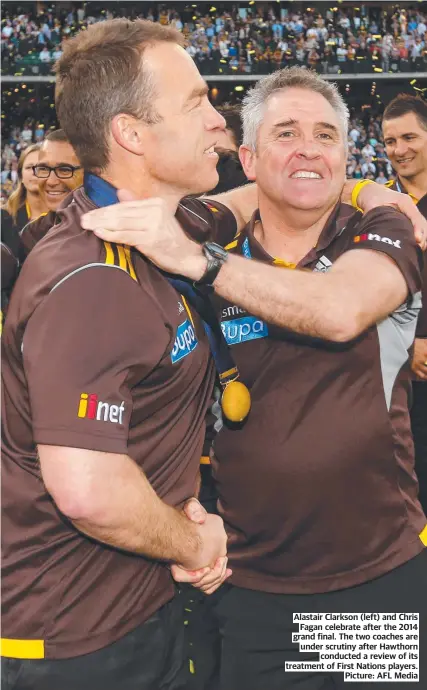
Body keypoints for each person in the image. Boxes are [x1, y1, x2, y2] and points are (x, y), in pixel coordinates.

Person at [83, 67, 427, 690]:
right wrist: (217, 229)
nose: (307, 149)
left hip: (379, 578)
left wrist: (201, 260)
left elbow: (339, 310)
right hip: (252, 586)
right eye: (286, 133)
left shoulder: (380, 232)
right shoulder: (211, 235)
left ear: (346, 157)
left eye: (326, 136)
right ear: (246, 155)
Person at [1, 19, 231, 690]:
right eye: (196, 102)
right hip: (75, 638)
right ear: (131, 133)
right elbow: (88, 490)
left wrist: (367, 193)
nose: (218, 120)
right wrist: (197, 544)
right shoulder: (94, 278)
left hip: (131, 605)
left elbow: (244, 205)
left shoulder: (162, 227)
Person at [383, 93, 427, 514]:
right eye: (390, 141)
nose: (399, 150)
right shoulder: (379, 211)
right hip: (405, 380)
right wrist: (410, 343)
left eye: (409, 137)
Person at [19, 129, 84, 258]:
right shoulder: (32, 234)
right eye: (43, 169)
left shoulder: (116, 230)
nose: (51, 181)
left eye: (64, 170)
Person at [1, 144, 47, 314]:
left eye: (42, 167)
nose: (35, 173)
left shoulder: (66, 217)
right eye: (29, 167)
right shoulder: (4, 217)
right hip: (12, 311)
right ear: (20, 173)